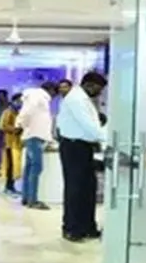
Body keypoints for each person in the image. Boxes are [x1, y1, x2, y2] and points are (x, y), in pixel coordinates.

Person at [56, 71, 108, 242]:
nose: (99, 93)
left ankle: (87, 226)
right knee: (75, 189)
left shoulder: (83, 98)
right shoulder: (76, 99)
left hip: (83, 147)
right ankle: (71, 228)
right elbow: (89, 126)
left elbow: (94, 124)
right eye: (98, 89)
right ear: (89, 85)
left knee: (88, 188)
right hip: (73, 147)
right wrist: (108, 139)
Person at [15, 81, 57, 210]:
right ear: (50, 90)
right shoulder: (38, 96)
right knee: (36, 168)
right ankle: (32, 200)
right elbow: (26, 112)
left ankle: (26, 197)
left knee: (29, 168)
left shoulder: (37, 96)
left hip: (34, 135)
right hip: (35, 136)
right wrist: (20, 125)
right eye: (54, 93)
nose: (54, 96)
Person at [0, 93, 23, 196]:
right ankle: (8, 187)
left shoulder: (19, 112)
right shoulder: (8, 112)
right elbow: (3, 126)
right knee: (10, 165)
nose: (21, 103)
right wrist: (15, 130)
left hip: (17, 143)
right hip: (9, 143)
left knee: (15, 166)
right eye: (19, 101)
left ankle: (12, 186)